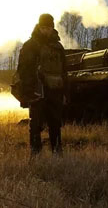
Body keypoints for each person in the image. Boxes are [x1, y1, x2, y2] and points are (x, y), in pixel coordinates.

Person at [16, 13, 67, 156]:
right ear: (39, 27)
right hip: (37, 91)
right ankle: (36, 154)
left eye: (49, 27)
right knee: (36, 125)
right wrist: (29, 91)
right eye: (44, 27)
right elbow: (24, 70)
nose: (46, 30)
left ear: (53, 28)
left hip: (55, 91)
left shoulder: (58, 47)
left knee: (55, 124)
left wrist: (65, 93)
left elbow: (64, 71)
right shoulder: (31, 45)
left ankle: (57, 152)